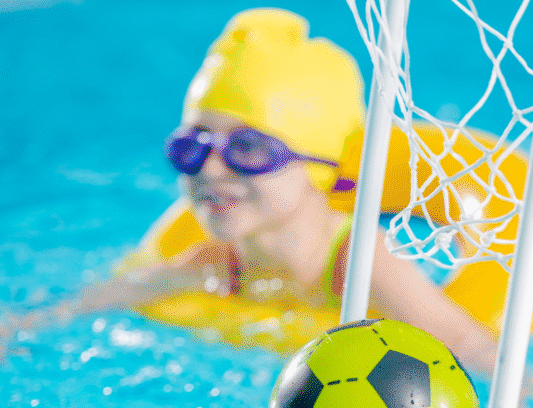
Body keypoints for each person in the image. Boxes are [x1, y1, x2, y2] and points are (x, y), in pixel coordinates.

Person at [1, 8, 498, 373]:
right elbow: (111, 295)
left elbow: (472, 350)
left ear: (323, 164)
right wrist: (22, 323)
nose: (211, 168)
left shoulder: (358, 263)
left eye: (248, 147)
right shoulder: (219, 264)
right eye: (193, 146)